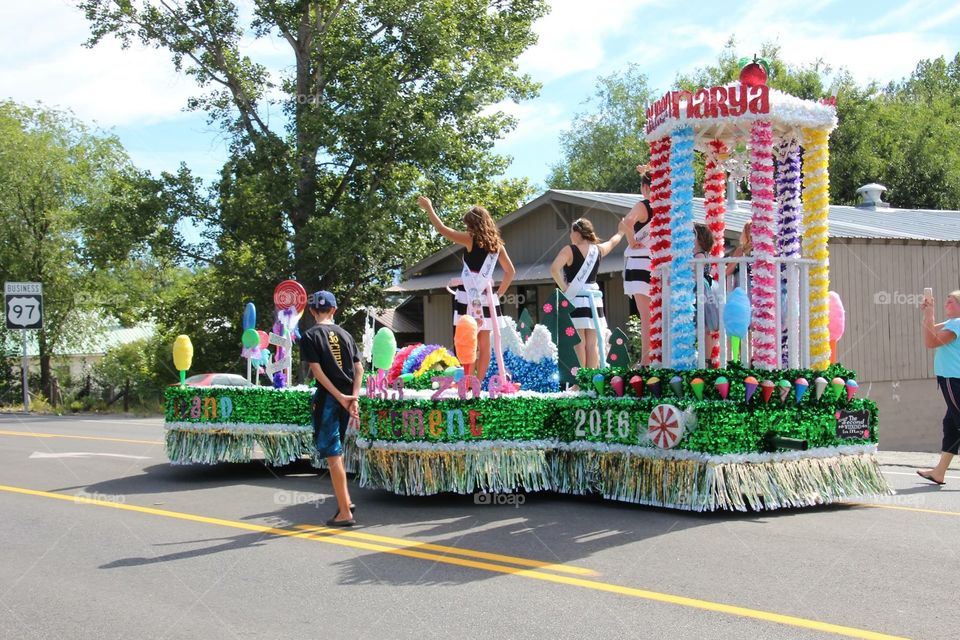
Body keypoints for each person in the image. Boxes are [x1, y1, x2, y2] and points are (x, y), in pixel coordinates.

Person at [417, 196, 516, 382]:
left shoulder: (470, 239)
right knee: (485, 344)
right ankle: (477, 383)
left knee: (467, 341)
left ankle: (468, 381)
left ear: (472, 225)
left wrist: (429, 207)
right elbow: (510, 272)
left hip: (468, 297)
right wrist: (499, 294)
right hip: (487, 297)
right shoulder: (497, 246)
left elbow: (441, 229)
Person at [300, 290, 362, 526]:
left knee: (333, 453)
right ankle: (345, 500)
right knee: (337, 449)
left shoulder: (310, 335)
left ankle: (345, 512)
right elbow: (359, 370)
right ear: (334, 310)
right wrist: (352, 397)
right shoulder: (346, 335)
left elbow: (317, 371)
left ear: (313, 311)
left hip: (328, 399)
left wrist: (339, 396)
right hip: (346, 398)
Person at [551, 218, 623, 369]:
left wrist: (564, 288)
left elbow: (554, 269)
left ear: (577, 233)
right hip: (594, 299)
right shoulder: (597, 250)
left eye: (571, 232)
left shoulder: (569, 250)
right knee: (592, 343)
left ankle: (580, 382)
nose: (570, 235)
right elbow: (612, 242)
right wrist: (621, 231)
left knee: (579, 342)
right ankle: (591, 380)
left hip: (576, 298)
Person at [916, 290, 960, 485]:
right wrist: (929, 313)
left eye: (950, 302)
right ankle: (939, 472)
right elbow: (931, 329)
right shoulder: (953, 324)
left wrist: (928, 315)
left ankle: (939, 471)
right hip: (951, 379)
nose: (946, 304)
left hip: (953, 380)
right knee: (951, 425)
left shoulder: (957, 325)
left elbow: (930, 341)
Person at [619, 164, 653, 365]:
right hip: (656, 264)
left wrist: (632, 241)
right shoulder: (667, 208)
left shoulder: (643, 206)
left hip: (640, 262)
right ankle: (653, 359)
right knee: (656, 316)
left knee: (647, 317)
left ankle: (647, 363)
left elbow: (625, 223)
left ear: (645, 187)